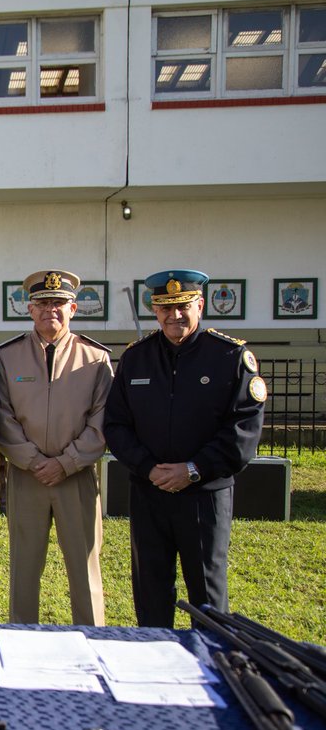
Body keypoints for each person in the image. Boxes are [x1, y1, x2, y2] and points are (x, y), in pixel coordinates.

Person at [105, 269, 266, 628]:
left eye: (183, 306)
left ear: (200, 305)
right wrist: (148, 467)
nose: (175, 316)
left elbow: (243, 429)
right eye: (165, 308)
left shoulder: (229, 357)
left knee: (207, 593)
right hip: (150, 492)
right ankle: (156, 661)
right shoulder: (136, 358)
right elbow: (116, 424)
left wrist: (192, 469)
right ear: (155, 311)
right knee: (150, 589)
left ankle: (210, 665)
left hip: (204, 495)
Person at [0, 270, 114, 626]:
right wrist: (31, 460)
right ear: (30, 309)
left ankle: (93, 639)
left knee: (85, 567)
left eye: (59, 303)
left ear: (73, 308)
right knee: (24, 570)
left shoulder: (94, 359)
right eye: (43, 303)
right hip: (27, 477)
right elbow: (1, 417)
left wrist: (66, 462)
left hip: (75, 477)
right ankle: (20, 641)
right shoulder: (7, 357)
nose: (51, 310)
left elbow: (103, 421)